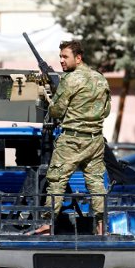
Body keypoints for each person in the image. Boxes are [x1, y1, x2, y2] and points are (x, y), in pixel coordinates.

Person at [32, 40, 111, 235]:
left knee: (56, 179)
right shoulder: (100, 79)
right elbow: (107, 110)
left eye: (65, 56)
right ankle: (101, 226)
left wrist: (47, 97)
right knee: (95, 183)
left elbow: (57, 111)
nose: (61, 61)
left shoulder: (70, 79)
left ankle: (47, 224)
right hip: (95, 140)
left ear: (78, 57)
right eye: (60, 56)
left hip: (72, 140)